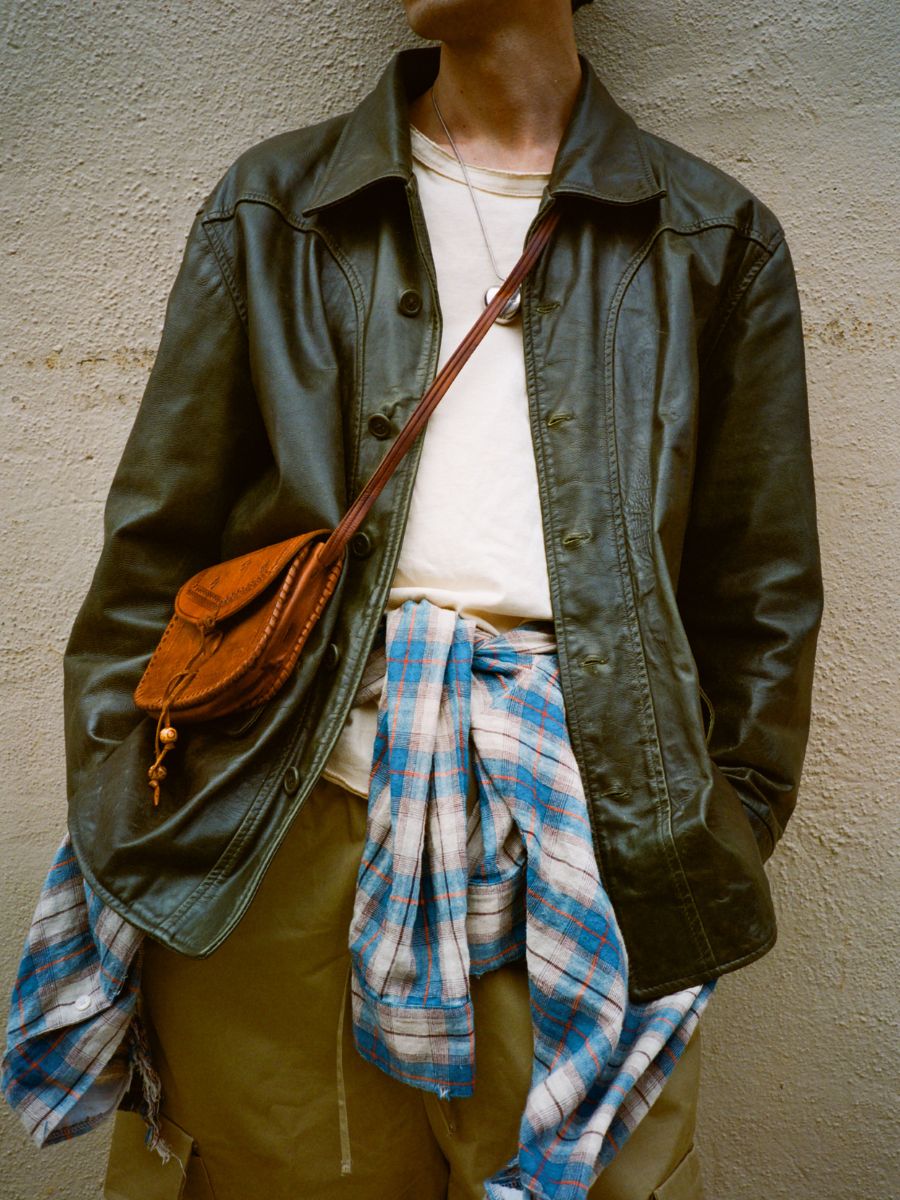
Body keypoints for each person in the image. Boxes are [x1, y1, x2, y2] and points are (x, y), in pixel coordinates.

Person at [2, 1, 824, 1197]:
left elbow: (760, 597)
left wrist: (713, 829)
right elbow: (152, 555)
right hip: (272, 826)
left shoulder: (709, 237)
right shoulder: (278, 207)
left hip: (589, 844)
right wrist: (131, 800)